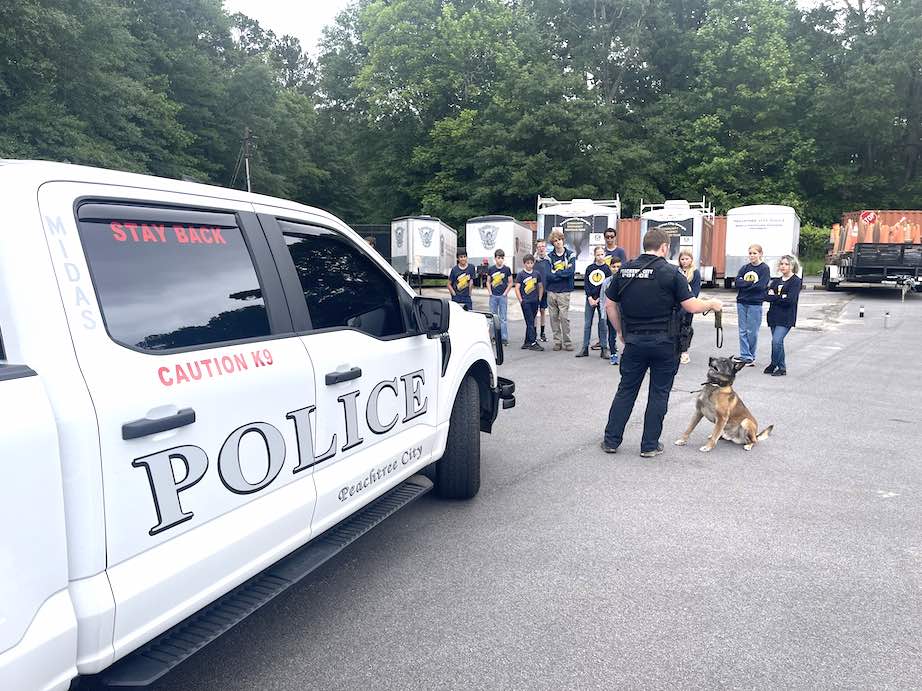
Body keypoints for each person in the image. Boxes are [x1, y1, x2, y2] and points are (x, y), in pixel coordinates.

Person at [600, 228, 723, 457]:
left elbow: (609, 304)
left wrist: (620, 332)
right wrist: (713, 303)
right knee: (659, 393)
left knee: (626, 390)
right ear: (664, 247)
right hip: (665, 343)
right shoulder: (671, 272)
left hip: (634, 341)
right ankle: (649, 446)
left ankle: (611, 441)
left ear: (644, 245)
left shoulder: (625, 270)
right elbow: (691, 306)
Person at [764, 255, 802, 376]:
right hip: (774, 316)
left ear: (792, 266)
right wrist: (780, 297)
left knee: (777, 341)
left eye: (786, 264)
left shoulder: (796, 281)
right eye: (782, 264)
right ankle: (774, 363)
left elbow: (790, 300)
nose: (783, 266)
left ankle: (781, 367)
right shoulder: (776, 281)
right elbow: (767, 297)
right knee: (777, 343)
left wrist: (775, 297)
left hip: (786, 317)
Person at [734, 244, 770, 366]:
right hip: (742, 302)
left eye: (754, 253)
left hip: (755, 303)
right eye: (750, 253)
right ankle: (745, 355)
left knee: (752, 331)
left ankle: (751, 355)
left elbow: (761, 286)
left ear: (760, 254)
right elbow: (737, 282)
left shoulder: (764, 269)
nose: (752, 256)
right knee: (742, 330)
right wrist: (750, 284)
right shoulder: (745, 268)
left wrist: (746, 285)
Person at [577, 246, 611, 359]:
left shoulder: (607, 269)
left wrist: (599, 299)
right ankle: (584, 347)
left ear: (604, 255)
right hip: (590, 299)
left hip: (601, 299)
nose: (600, 257)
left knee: (602, 324)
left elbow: (606, 285)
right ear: (594, 255)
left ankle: (604, 348)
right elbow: (586, 283)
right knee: (587, 323)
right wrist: (590, 297)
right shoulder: (590, 268)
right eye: (598, 254)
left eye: (602, 254)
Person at [545, 229, 575, 351]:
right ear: (553, 243)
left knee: (564, 318)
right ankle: (557, 342)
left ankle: (567, 342)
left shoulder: (570, 255)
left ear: (563, 240)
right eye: (555, 241)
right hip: (552, 291)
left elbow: (570, 272)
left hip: (564, 291)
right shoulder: (549, 257)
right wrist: (561, 274)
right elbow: (548, 275)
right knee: (553, 318)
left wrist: (556, 273)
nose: (558, 242)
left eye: (560, 240)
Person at [602, 228, 628, 360]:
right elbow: (603, 299)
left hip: (622, 308)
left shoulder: (621, 252)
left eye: (612, 236)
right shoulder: (606, 282)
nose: (610, 239)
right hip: (610, 306)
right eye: (607, 236)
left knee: (624, 331)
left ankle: (626, 352)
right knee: (611, 332)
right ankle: (612, 353)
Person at [515, 253, 545, 351]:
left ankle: (527, 342)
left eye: (531, 263)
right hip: (526, 302)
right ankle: (533, 342)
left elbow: (540, 286)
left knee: (531, 321)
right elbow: (517, 288)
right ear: (524, 264)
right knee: (530, 321)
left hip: (534, 301)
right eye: (527, 263)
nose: (529, 265)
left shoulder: (536, 274)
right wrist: (521, 300)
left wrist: (539, 298)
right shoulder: (521, 275)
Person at [677, 249, 702, 365]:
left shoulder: (695, 273)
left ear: (691, 259)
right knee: (676, 327)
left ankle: (684, 351)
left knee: (686, 328)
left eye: (687, 259)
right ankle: (676, 350)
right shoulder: (677, 271)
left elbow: (695, 291)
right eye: (682, 259)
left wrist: (690, 303)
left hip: (688, 303)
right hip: (677, 304)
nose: (684, 261)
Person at [487, 249, 513, 346]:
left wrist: (505, 293)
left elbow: (510, 282)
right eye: (498, 258)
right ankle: (493, 337)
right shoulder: (491, 269)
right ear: (495, 258)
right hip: (493, 296)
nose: (500, 260)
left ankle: (504, 338)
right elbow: (488, 281)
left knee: (503, 318)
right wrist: (490, 292)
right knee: (493, 317)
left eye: (502, 258)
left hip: (502, 297)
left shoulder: (507, 269)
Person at [533, 239, 551, 342]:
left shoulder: (548, 260)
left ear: (545, 248)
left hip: (545, 291)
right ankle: (534, 333)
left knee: (543, 311)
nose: (541, 249)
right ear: (537, 248)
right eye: (539, 247)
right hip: (534, 291)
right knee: (535, 312)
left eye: (543, 246)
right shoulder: (533, 260)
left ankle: (542, 333)